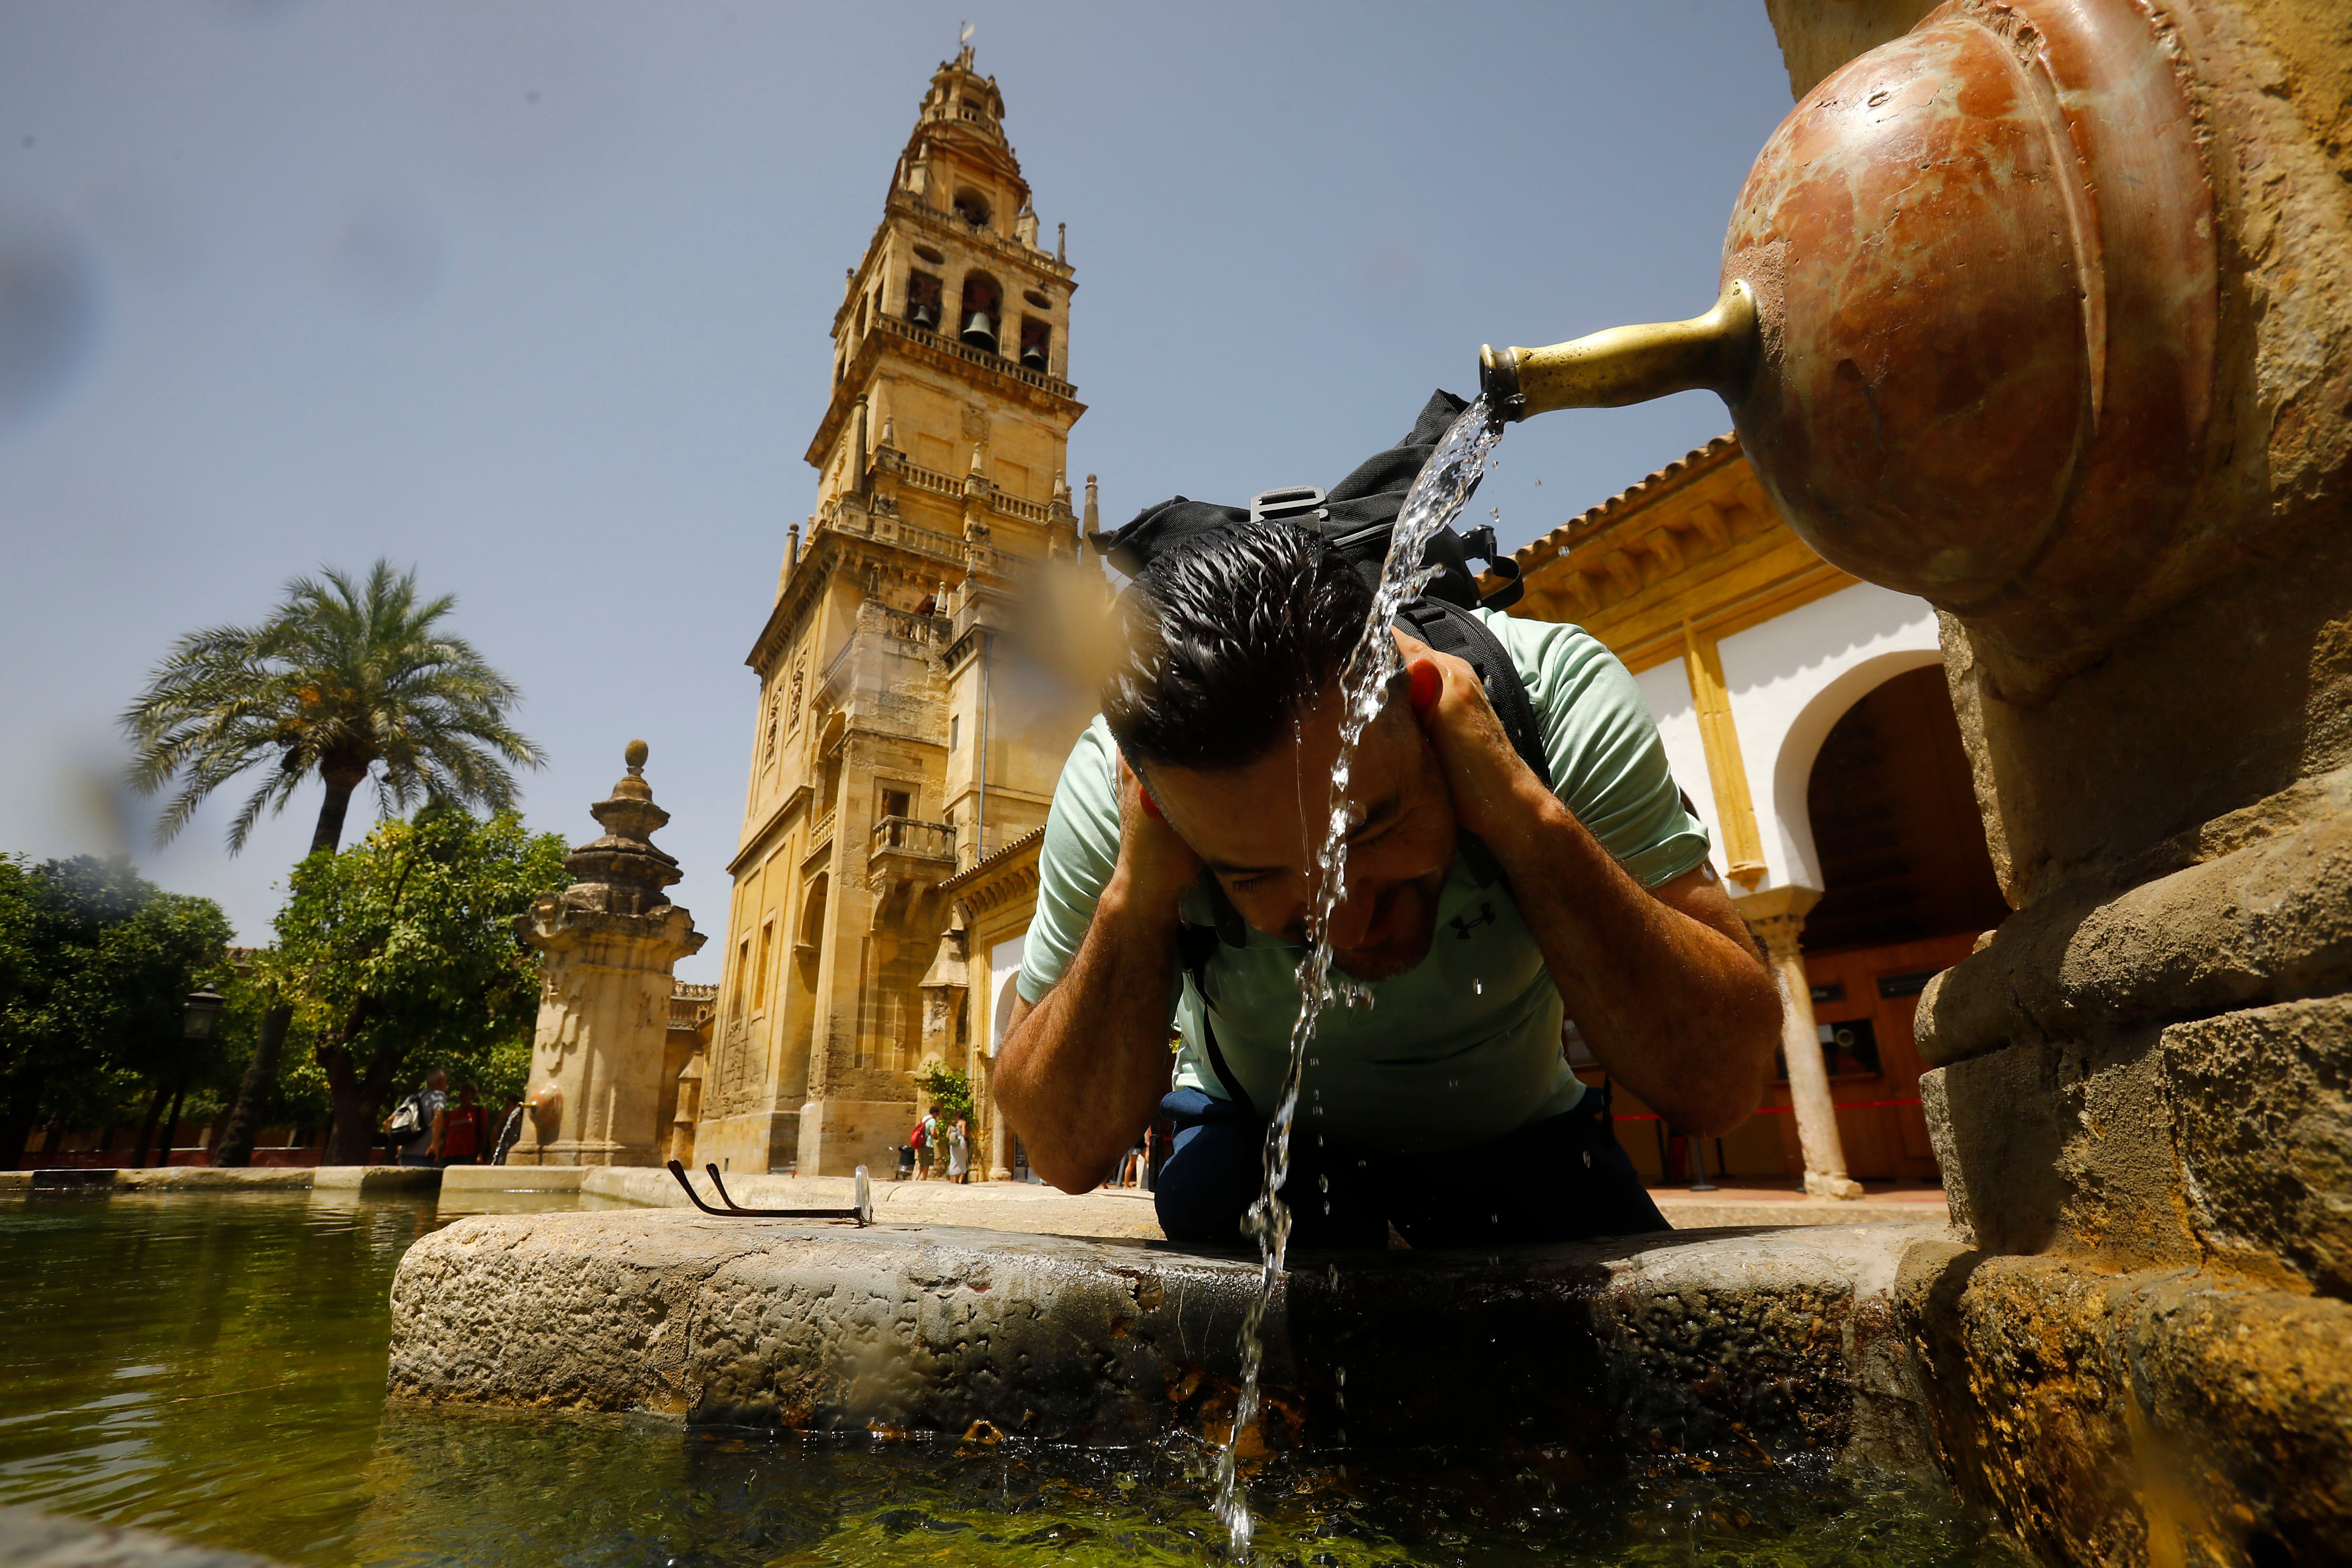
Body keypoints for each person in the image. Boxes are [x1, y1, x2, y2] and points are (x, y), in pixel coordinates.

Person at [993, 396, 1783, 1250]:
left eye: (1362, 832)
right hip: (1254, 1145)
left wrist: (1520, 809)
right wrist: (1134, 896)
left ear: (1420, 708)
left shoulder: (1552, 698)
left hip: (1521, 1143)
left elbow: (1720, 1085)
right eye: (1253, 875)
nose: (1339, 917)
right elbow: (1065, 1150)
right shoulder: (1116, 783)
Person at [388, 1069, 447, 1168]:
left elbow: (388, 1122)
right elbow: (438, 1115)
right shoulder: (438, 1095)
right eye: (447, 1081)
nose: (447, 1084)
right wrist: (435, 1144)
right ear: (440, 1081)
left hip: (405, 1156)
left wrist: (398, 1144)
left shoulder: (412, 1098)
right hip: (424, 1154)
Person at [437, 1082, 487, 1167]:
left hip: (468, 1156)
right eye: (462, 1091)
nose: (463, 1094)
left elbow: (484, 1134)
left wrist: (481, 1155)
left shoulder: (479, 1111)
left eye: (467, 1091)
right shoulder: (452, 1114)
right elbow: (445, 1136)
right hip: (448, 1156)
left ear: (473, 1095)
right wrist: (439, 1155)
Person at [490, 1096, 524, 1166]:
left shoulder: (522, 1125)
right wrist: (499, 1120)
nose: (505, 1108)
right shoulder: (505, 1124)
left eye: (508, 1105)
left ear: (517, 1107)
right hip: (501, 1160)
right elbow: (493, 1141)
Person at [913, 1106, 939, 1180]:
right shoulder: (932, 1121)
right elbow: (933, 1132)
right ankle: (924, 1179)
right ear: (934, 1113)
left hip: (920, 1143)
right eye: (937, 1114)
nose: (937, 1116)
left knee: (922, 1163)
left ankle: (916, 1178)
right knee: (927, 1164)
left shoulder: (924, 1119)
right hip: (928, 1144)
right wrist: (937, 1136)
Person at [947, 1115, 972, 1184]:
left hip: (953, 1145)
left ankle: (954, 1180)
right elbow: (964, 1133)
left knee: (954, 1160)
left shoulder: (951, 1125)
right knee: (964, 1160)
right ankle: (960, 1180)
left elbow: (947, 1136)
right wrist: (968, 1135)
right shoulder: (963, 1123)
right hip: (961, 1143)